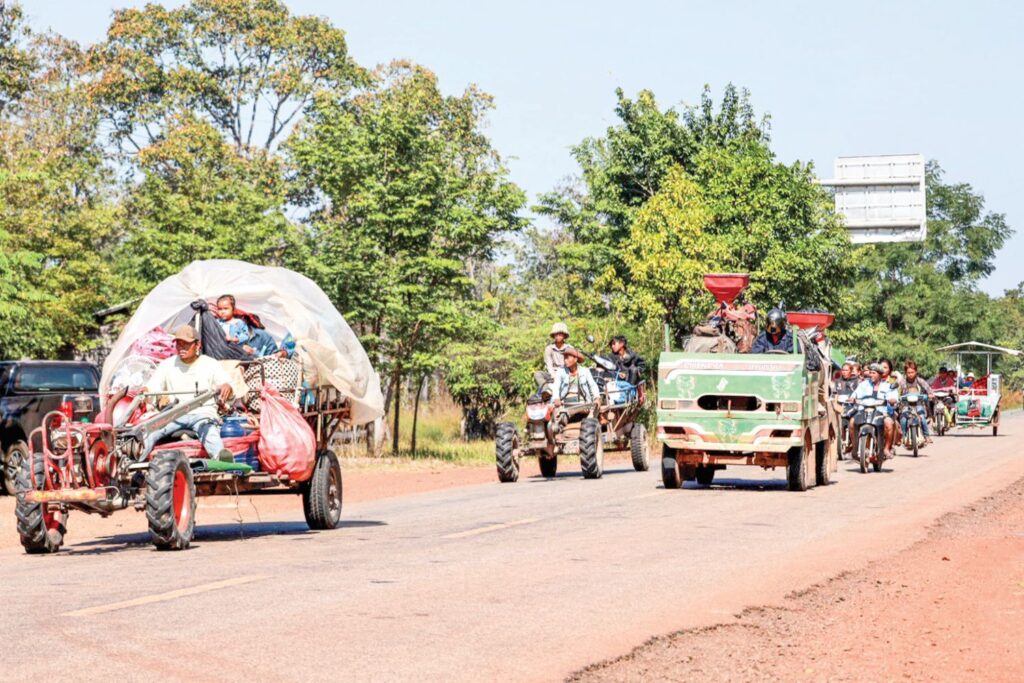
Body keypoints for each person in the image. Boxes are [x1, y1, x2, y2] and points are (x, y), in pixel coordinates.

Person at [140, 325, 235, 461]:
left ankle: (222, 460)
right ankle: (133, 463)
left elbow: (228, 386)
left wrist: (227, 387)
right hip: (174, 414)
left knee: (210, 433)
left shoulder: (210, 364)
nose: (181, 348)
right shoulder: (167, 365)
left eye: (186, 344)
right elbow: (152, 387)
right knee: (150, 433)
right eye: (178, 344)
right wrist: (145, 391)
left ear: (197, 345)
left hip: (203, 414)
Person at [852, 362, 898, 458]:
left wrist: (892, 400)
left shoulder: (887, 386)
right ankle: (855, 447)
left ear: (880, 375)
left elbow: (893, 397)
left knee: (889, 424)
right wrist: (852, 398)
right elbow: (855, 394)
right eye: (870, 373)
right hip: (864, 411)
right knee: (852, 422)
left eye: (874, 373)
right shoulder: (863, 384)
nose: (871, 375)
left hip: (881, 413)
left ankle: (886, 448)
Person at [898, 361, 933, 444]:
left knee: (922, 418)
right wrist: (896, 397)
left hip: (919, 404)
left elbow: (928, 389)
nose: (910, 374)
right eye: (908, 372)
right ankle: (903, 436)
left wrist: (930, 394)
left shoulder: (920, 381)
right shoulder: (902, 382)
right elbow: (897, 392)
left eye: (912, 372)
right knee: (903, 419)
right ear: (905, 373)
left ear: (916, 372)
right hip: (906, 405)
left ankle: (926, 436)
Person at [535, 322, 574, 392]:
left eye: (560, 334)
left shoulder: (569, 348)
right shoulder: (549, 348)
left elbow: (572, 364)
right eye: (556, 334)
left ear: (564, 336)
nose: (558, 336)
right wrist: (554, 376)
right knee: (538, 374)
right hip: (553, 374)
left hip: (566, 373)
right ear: (553, 335)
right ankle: (546, 390)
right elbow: (549, 364)